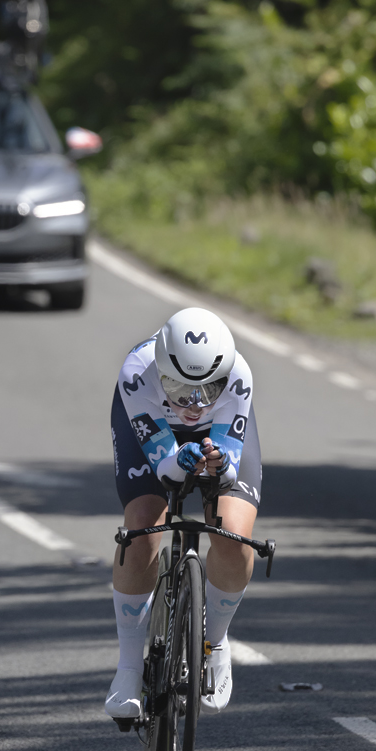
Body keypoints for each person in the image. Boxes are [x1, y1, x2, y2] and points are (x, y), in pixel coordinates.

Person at [105, 306, 262, 719]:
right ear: (160, 369)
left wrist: (218, 465)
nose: (193, 404)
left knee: (232, 534)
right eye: (177, 386)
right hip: (153, 425)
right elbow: (166, 468)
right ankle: (127, 668)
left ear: (225, 377)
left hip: (217, 435)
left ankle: (215, 641)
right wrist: (178, 459)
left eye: (208, 389)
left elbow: (226, 469)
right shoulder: (137, 371)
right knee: (141, 528)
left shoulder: (239, 376)